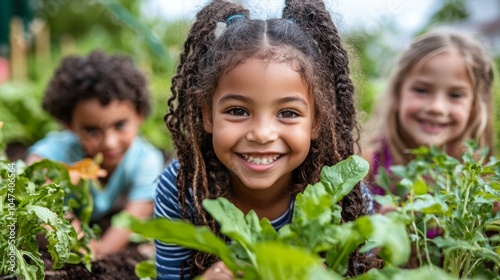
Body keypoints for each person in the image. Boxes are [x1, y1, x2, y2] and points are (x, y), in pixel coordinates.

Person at [154, 0, 377, 279]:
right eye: (237, 111)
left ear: (316, 122)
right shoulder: (182, 189)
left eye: (287, 113)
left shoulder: (346, 197)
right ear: (208, 115)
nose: (261, 134)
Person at [26, 50, 165, 256]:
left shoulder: (146, 161)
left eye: (120, 125)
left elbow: (129, 222)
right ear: (69, 125)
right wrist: (78, 237)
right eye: (91, 130)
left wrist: (98, 251)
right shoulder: (60, 151)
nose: (109, 143)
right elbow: (34, 172)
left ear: (140, 115)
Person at [362, 29, 495, 196]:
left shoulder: (477, 176)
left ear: (474, 106)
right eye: (421, 90)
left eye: (455, 95)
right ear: (397, 94)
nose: (436, 107)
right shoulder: (367, 163)